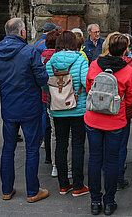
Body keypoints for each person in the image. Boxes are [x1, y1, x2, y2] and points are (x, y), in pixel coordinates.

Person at [0, 18, 50, 203]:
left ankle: (7, 190)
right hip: (29, 105)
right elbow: (42, 78)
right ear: (22, 32)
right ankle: (32, 191)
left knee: (8, 148)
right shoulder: (29, 52)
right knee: (32, 149)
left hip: (9, 105)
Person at [85, 33, 132, 216]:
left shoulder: (94, 65)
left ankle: (94, 201)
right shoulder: (128, 70)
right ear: (124, 50)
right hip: (115, 120)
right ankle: (109, 202)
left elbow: (88, 88)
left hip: (93, 118)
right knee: (112, 161)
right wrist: (119, 104)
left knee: (94, 159)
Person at [46, 31, 90, 198]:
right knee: (78, 146)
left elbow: (46, 85)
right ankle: (78, 185)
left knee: (61, 145)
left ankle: (63, 185)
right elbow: (86, 83)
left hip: (58, 109)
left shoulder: (51, 62)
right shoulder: (80, 60)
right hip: (78, 109)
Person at [41, 28, 62, 172]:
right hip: (58, 95)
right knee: (58, 129)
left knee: (48, 126)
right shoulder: (56, 57)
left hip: (45, 95)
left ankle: (48, 155)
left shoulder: (42, 55)